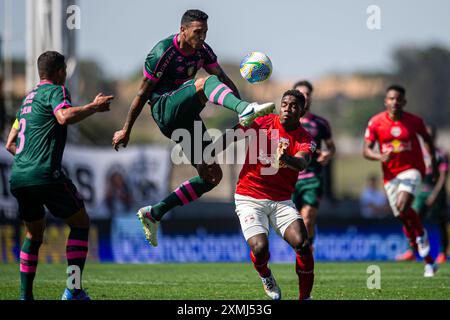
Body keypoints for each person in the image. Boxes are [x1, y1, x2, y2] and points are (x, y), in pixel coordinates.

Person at [112, 9, 275, 247]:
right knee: (205, 83)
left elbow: (224, 79)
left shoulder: (203, 51)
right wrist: (126, 129)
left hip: (186, 116)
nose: (202, 37)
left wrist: (240, 108)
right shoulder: (162, 52)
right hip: (164, 109)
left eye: (205, 32)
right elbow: (141, 93)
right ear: (183, 30)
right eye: (198, 32)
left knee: (211, 175)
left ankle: (154, 213)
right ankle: (244, 109)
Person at [5, 51, 114, 300]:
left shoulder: (27, 100)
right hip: (45, 174)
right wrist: (93, 107)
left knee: (33, 234)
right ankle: (73, 290)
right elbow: (63, 116)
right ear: (58, 72)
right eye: (64, 70)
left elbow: (11, 143)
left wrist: (28, 161)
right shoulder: (57, 91)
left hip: (19, 177)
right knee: (80, 223)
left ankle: (25, 296)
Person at [234, 90, 315, 300]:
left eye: (294, 106)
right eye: (285, 104)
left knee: (303, 245)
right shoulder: (262, 122)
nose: (288, 108)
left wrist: (286, 158)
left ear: (302, 111)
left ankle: (304, 297)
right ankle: (265, 274)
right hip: (249, 197)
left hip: (281, 201)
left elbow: (303, 162)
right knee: (260, 248)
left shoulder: (306, 138)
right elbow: (235, 133)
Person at [363, 84, 438, 277]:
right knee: (402, 215)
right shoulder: (376, 122)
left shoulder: (415, 121)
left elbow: (428, 141)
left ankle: (421, 235)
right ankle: (428, 261)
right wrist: (378, 156)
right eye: (391, 98)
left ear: (404, 102)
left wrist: (434, 167)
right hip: (390, 175)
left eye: (398, 99)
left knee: (403, 205)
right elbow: (366, 150)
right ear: (386, 101)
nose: (395, 102)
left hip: (413, 170)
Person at [291, 80, 335, 247]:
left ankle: (307, 250)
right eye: (300, 93)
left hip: (312, 178)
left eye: (307, 94)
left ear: (311, 97)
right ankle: (303, 249)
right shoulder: (283, 123)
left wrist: (327, 154)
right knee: (295, 223)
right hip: (290, 179)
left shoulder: (321, 124)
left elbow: (331, 147)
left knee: (308, 216)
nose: (304, 97)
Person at [396, 125, 449, 263]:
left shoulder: (441, 154)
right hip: (421, 191)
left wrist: (435, 194)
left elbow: (443, 177)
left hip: (437, 192)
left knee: (441, 222)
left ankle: (443, 253)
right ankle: (411, 251)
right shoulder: (418, 154)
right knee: (411, 219)